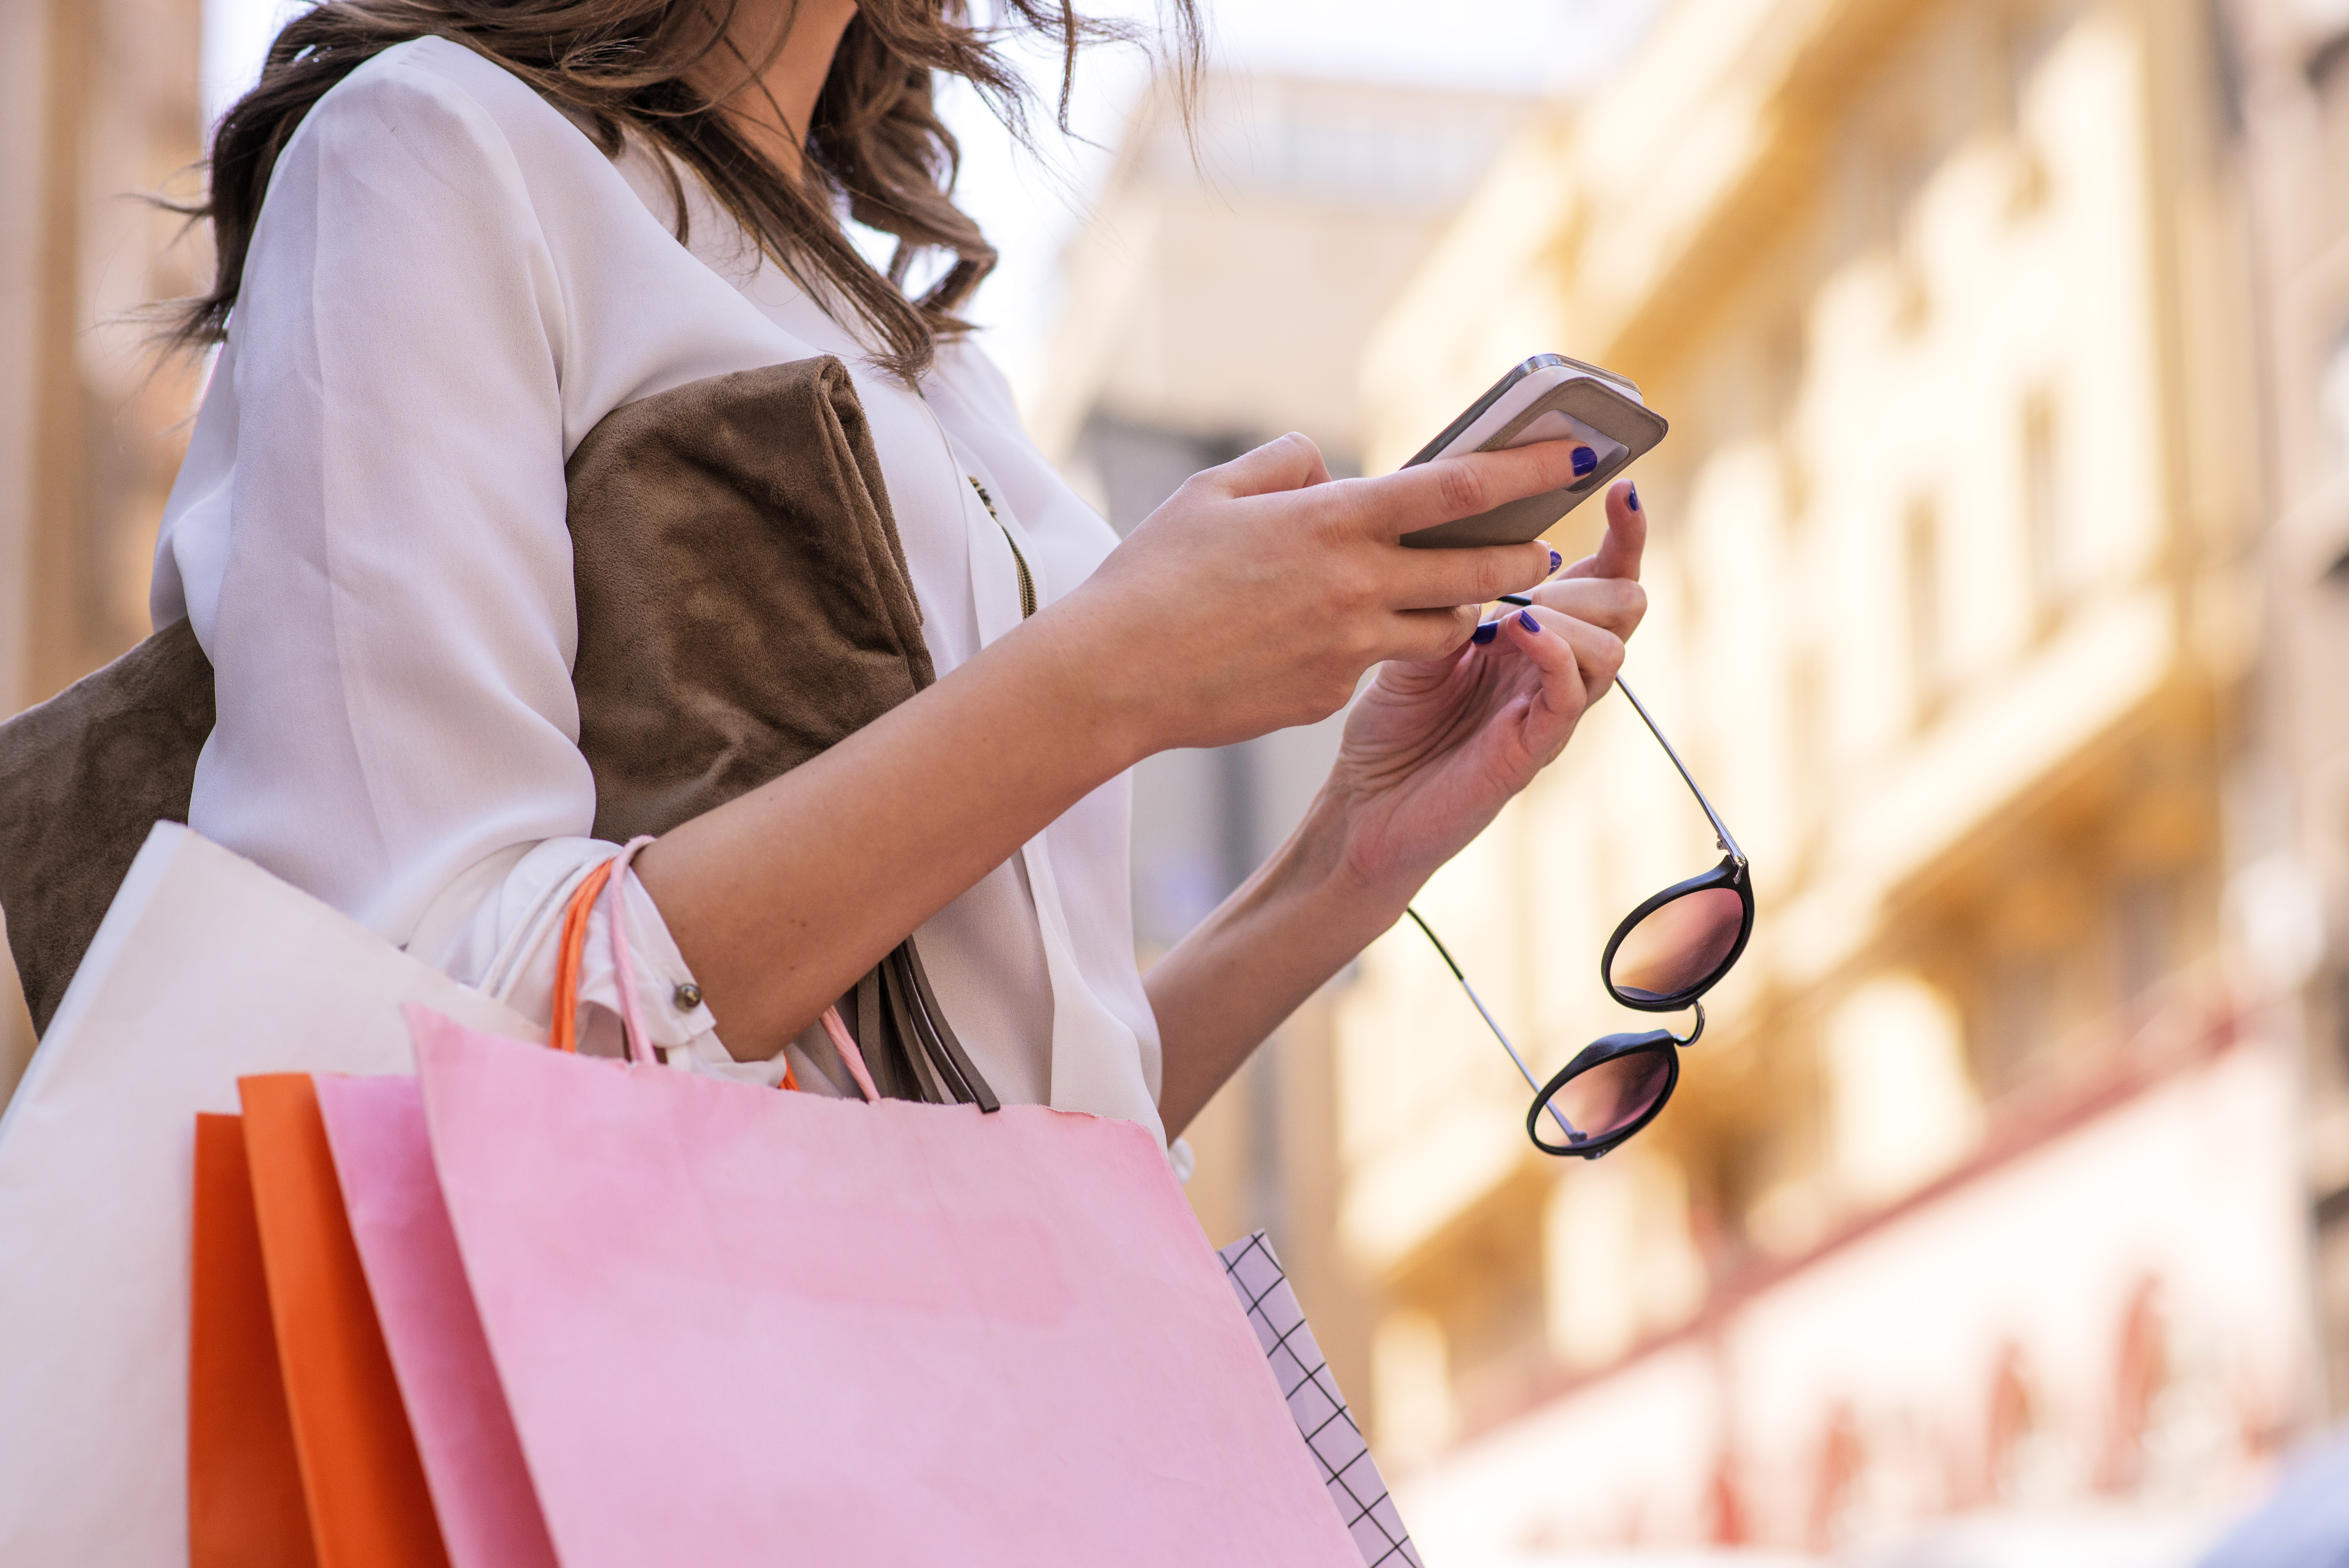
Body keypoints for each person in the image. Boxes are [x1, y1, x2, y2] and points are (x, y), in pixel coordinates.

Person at [154, 0, 1649, 1149]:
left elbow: (1029, 1136)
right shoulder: (431, 150)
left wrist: (1345, 861)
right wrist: (1110, 678)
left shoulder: (931, 367)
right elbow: (411, 1011)